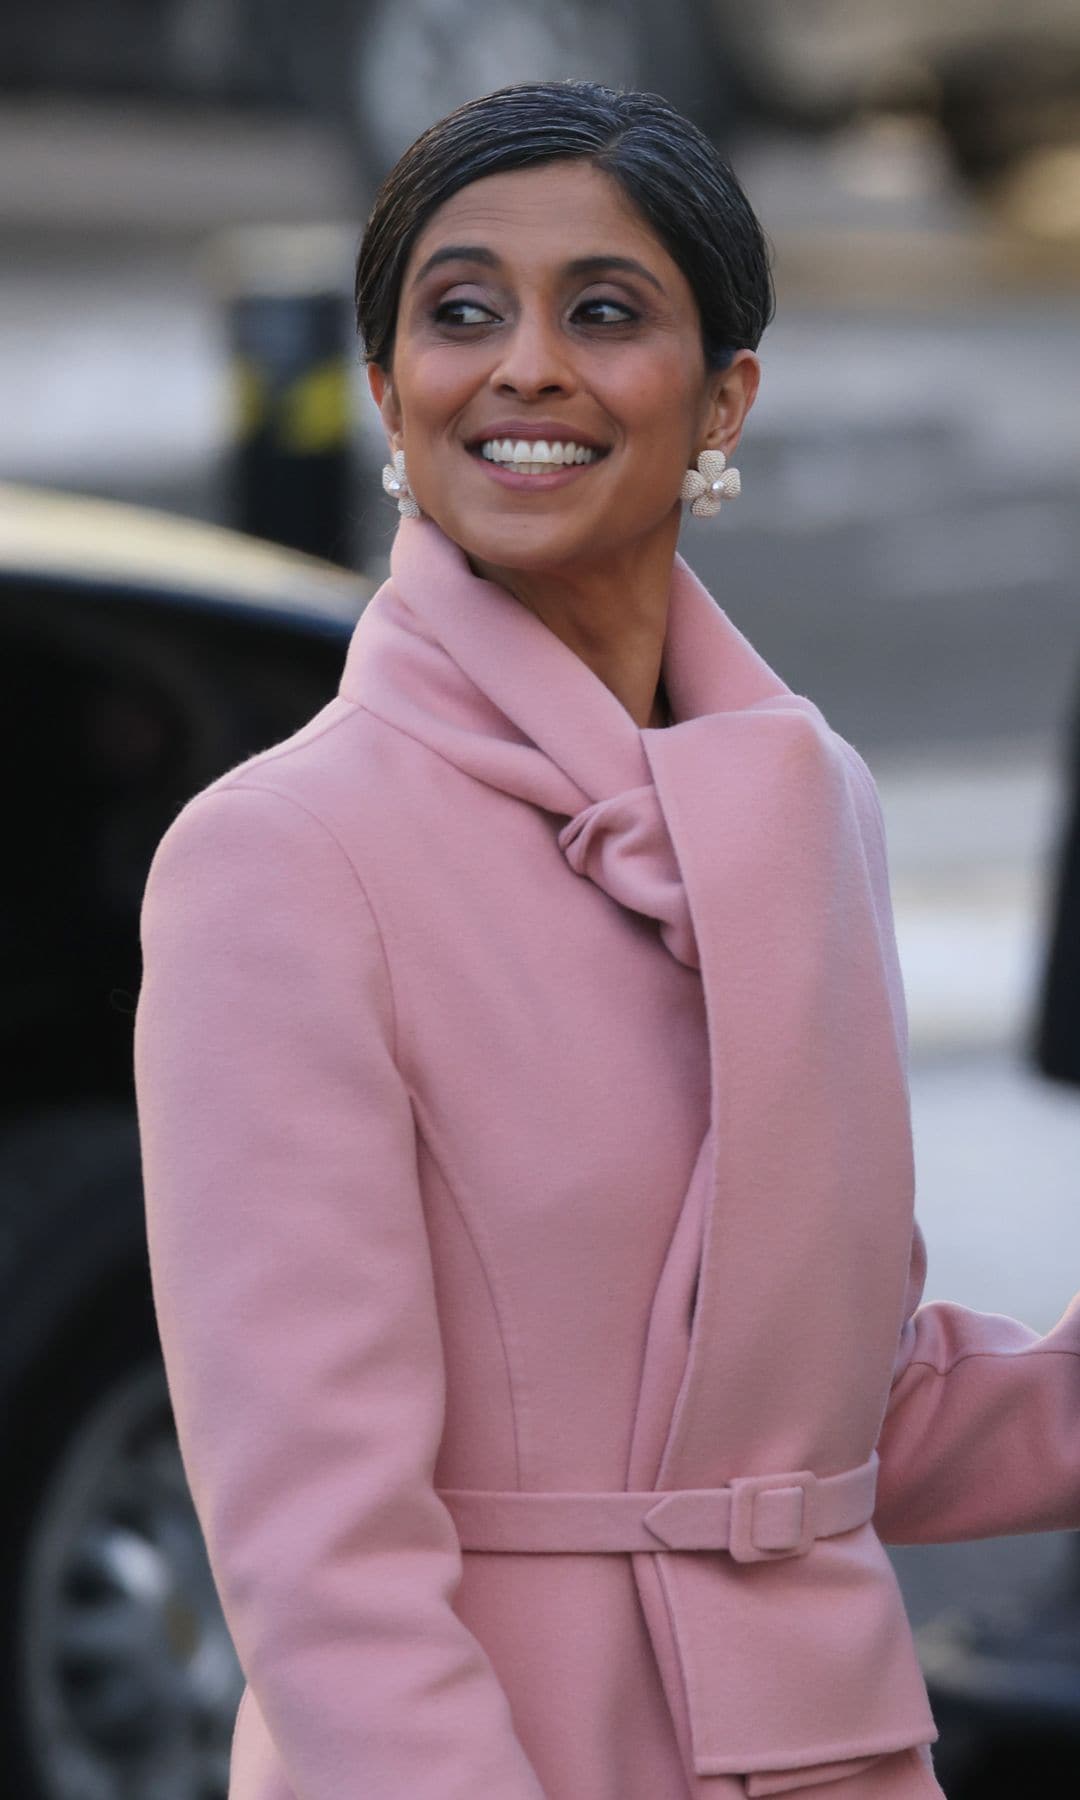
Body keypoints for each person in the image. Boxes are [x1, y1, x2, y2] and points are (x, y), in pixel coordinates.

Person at [132, 81, 1080, 1800]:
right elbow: (318, 1557)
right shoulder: (278, 860)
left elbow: (850, 1413)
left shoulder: (810, 808)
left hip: (842, 1754)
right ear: (385, 391)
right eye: (461, 312)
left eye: (607, 312)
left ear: (728, 397)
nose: (526, 369)